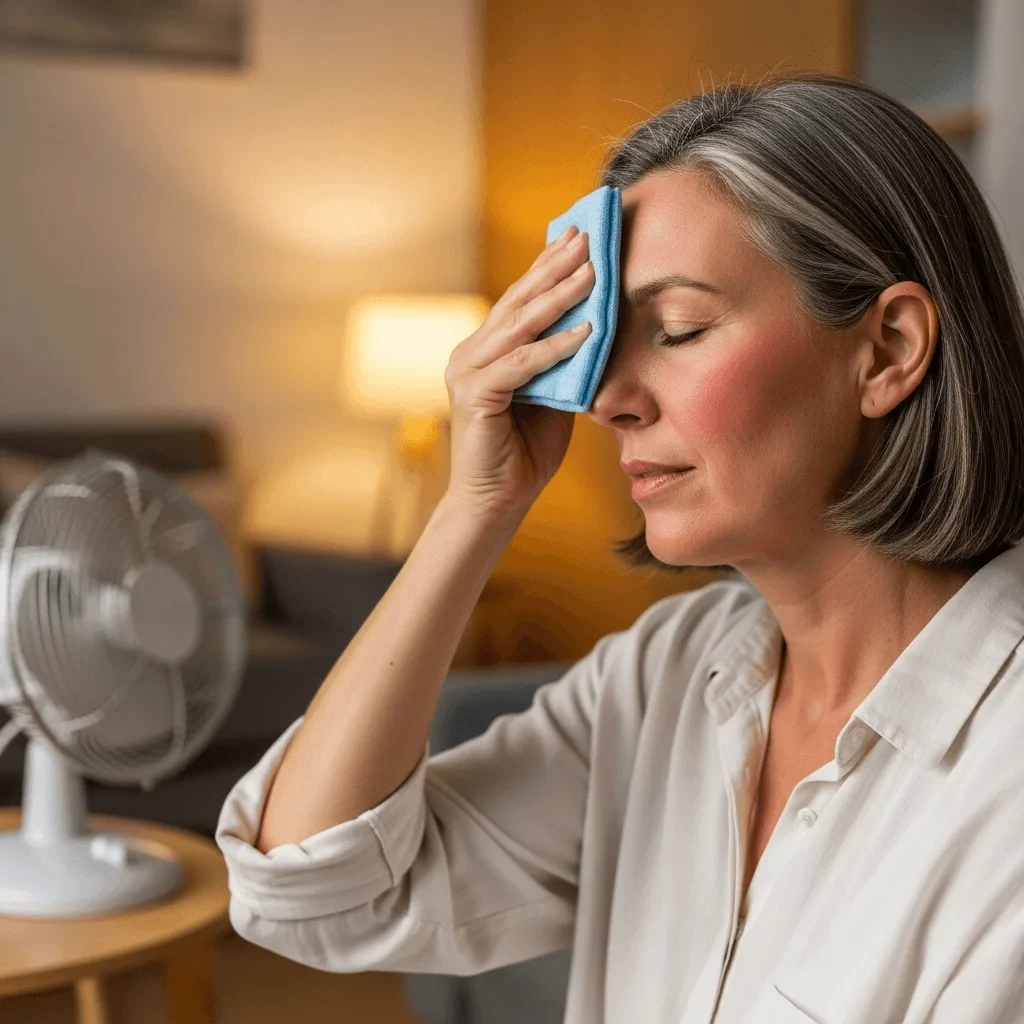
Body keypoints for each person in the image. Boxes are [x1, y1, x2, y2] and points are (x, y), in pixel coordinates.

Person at [214, 73, 1024, 1023]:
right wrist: (473, 509)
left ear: (887, 349)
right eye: (603, 345)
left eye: (678, 330)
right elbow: (309, 891)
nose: (606, 400)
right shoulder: (663, 677)